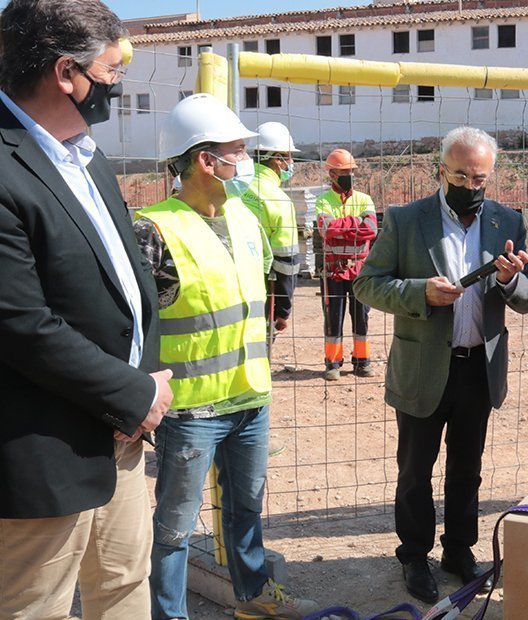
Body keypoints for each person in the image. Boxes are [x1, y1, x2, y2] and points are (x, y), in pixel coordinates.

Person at [0, 1, 173, 617]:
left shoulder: (85, 154)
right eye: (111, 73)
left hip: (121, 432)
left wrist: (137, 393)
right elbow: (21, 325)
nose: (117, 88)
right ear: (65, 72)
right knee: (33, 604)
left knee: (125, 586)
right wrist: (133, 393)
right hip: (44, 446)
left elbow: (125, 286)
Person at [135, 93, 319, 620]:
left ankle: (254, 596)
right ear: (204, 160)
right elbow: (130, 324)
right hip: (192, 410)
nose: (246, 160)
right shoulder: (153, 229)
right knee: (174, 525)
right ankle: (170, 614)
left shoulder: (244, 218)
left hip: (250, 397)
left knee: (247, 509)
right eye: (237, 150)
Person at [354, 126, 528, 603]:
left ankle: (458, 549)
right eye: (461, 175)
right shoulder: (406, 219)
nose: (471, 186)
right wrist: (420, 293)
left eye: (480, 178)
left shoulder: (507, 221)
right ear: (441, 170)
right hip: (423, 369)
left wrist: (508, 282)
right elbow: (367, 285)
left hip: (479, 367)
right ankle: (414, 556)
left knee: (467, 467)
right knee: (416, 469)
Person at [315, 148, 377, 380]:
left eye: (351, 171)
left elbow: (370, 230)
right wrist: (355, 222)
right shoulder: (323, 200)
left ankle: (362, 362)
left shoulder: (364, 199)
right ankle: (333, 364)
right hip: (333, 272)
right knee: (333, 318)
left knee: (362, 316)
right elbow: (326, 229)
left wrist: (342, 225)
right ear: (331, 174)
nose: (349, 175)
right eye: (343, 172)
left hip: (360, 271)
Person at [243, 121, 302, 335]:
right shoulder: (280, 201)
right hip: (262, 293)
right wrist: (283, 311)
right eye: (289, 157)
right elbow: (287, 262)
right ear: (277, 159)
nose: (291, 163)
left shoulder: (233, 188)